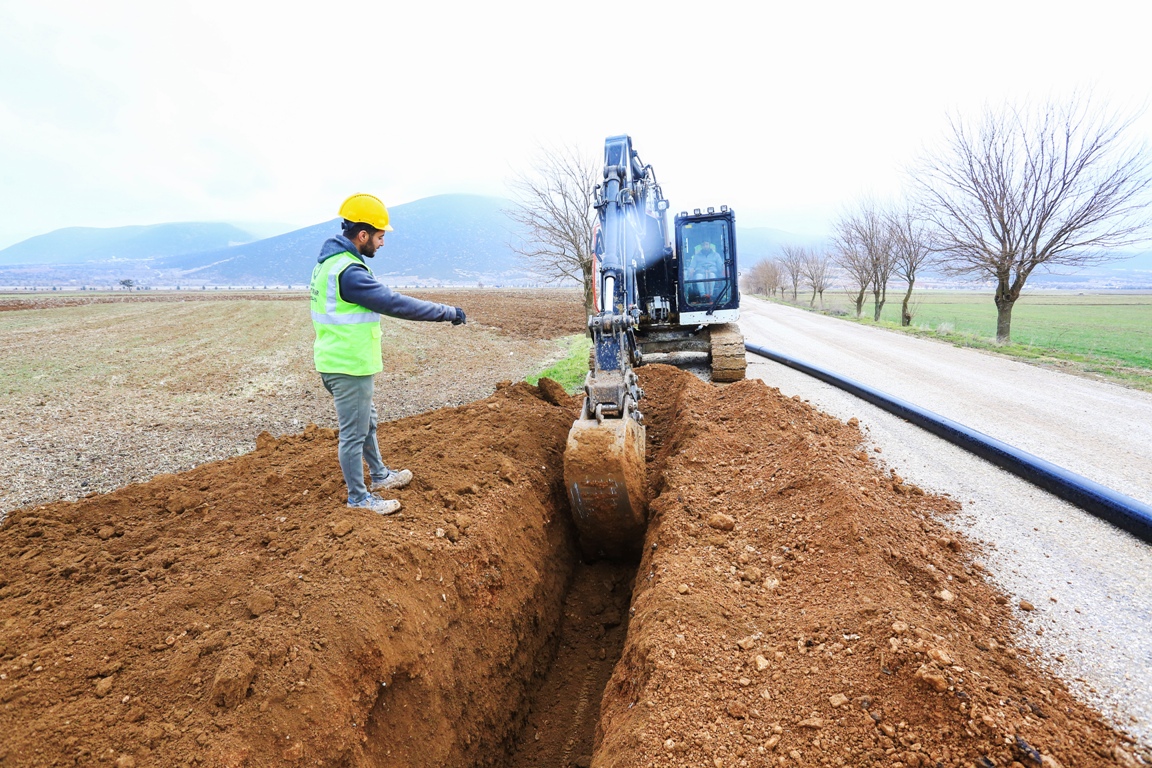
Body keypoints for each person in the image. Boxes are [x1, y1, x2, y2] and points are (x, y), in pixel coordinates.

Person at [310, 193, 466, 515]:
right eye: (380, 237)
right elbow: (396, 304)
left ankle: (379, 475)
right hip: (347, 365)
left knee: (367, 421)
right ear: (363, 235)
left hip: (340, 361)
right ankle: (359, 499)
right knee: (353, 434)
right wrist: (446, 312)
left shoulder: (330, 264)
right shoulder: (349, 273)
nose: (382, 244)